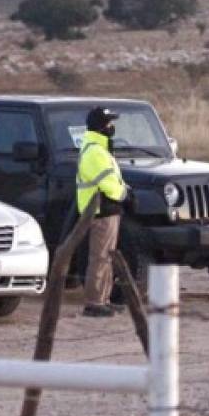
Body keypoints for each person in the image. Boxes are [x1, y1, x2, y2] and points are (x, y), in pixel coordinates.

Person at [77, 107, 133, 317]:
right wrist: (124, 195)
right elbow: (108, 183)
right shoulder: (94, 151)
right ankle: (94, 302)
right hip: (101, 210)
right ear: (100, 126)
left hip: (107, 209)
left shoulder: (98, 148)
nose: (112, 127)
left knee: (106, 257)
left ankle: (103, 299)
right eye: (109, 123)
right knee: (100, 257)